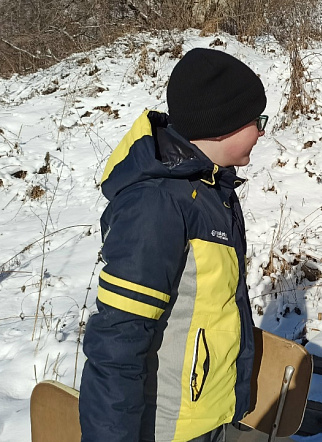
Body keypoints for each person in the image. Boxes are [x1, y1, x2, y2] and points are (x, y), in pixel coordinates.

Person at [79, 48, 267, 442]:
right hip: (167, 428)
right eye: (256, 121)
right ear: (223, 125)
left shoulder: (212, 190)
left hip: (206, 415)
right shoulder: (157, 206)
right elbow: (118, 340)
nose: (262, 131)